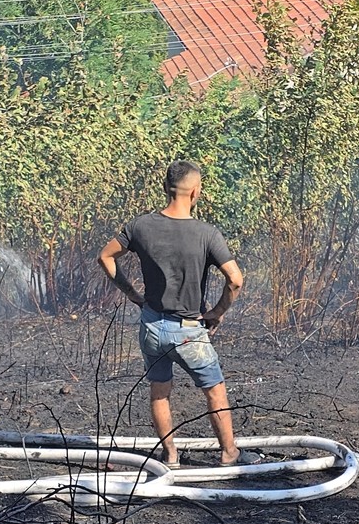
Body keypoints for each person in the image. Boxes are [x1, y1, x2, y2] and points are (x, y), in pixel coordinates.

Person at [98, 160, 258, 468]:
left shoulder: (140, 226)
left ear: (164, 188)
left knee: (160, 392)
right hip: (189, 331)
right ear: (196, 191)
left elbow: (105, 257)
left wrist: (133, 295)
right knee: (215, 391)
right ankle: (229, 454)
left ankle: (170, 456)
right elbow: (235, 280)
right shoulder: (206, 233)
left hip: (152, 326)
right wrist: (217, 311)